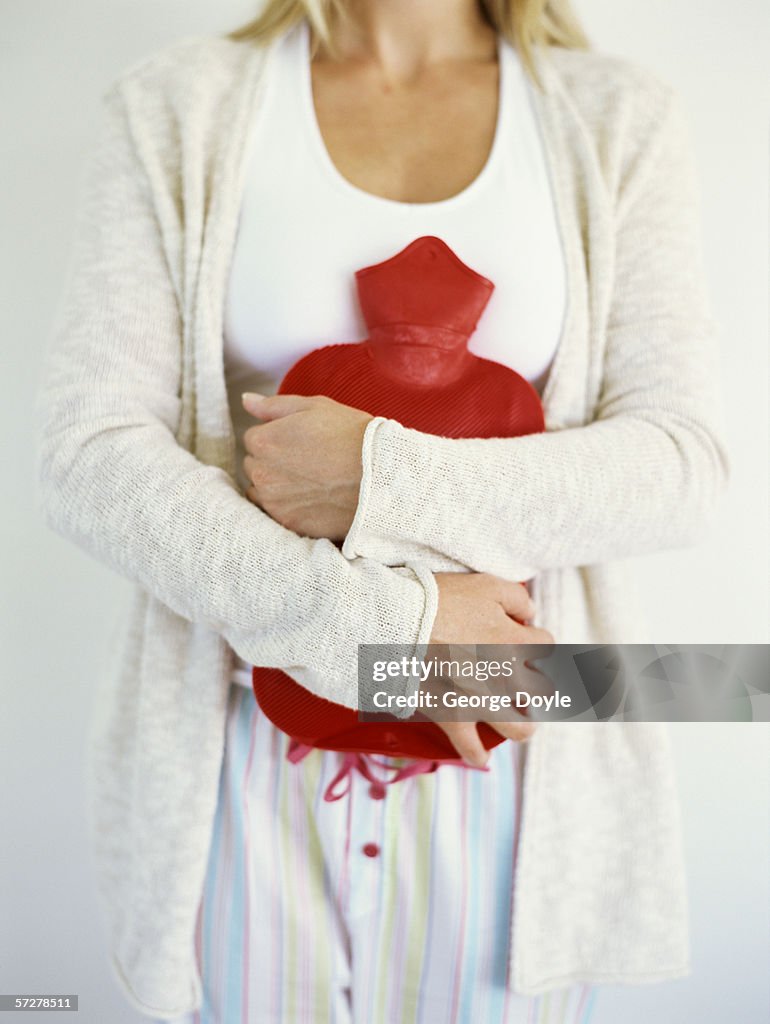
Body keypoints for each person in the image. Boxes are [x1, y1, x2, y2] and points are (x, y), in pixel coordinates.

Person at [36, 0, 729, 1021]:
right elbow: (87, 454)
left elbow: (681, 466)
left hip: (514, 766)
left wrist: (375, 475)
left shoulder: (610, 115)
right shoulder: (180, 104)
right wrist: (393, 633)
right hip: (235, 753)